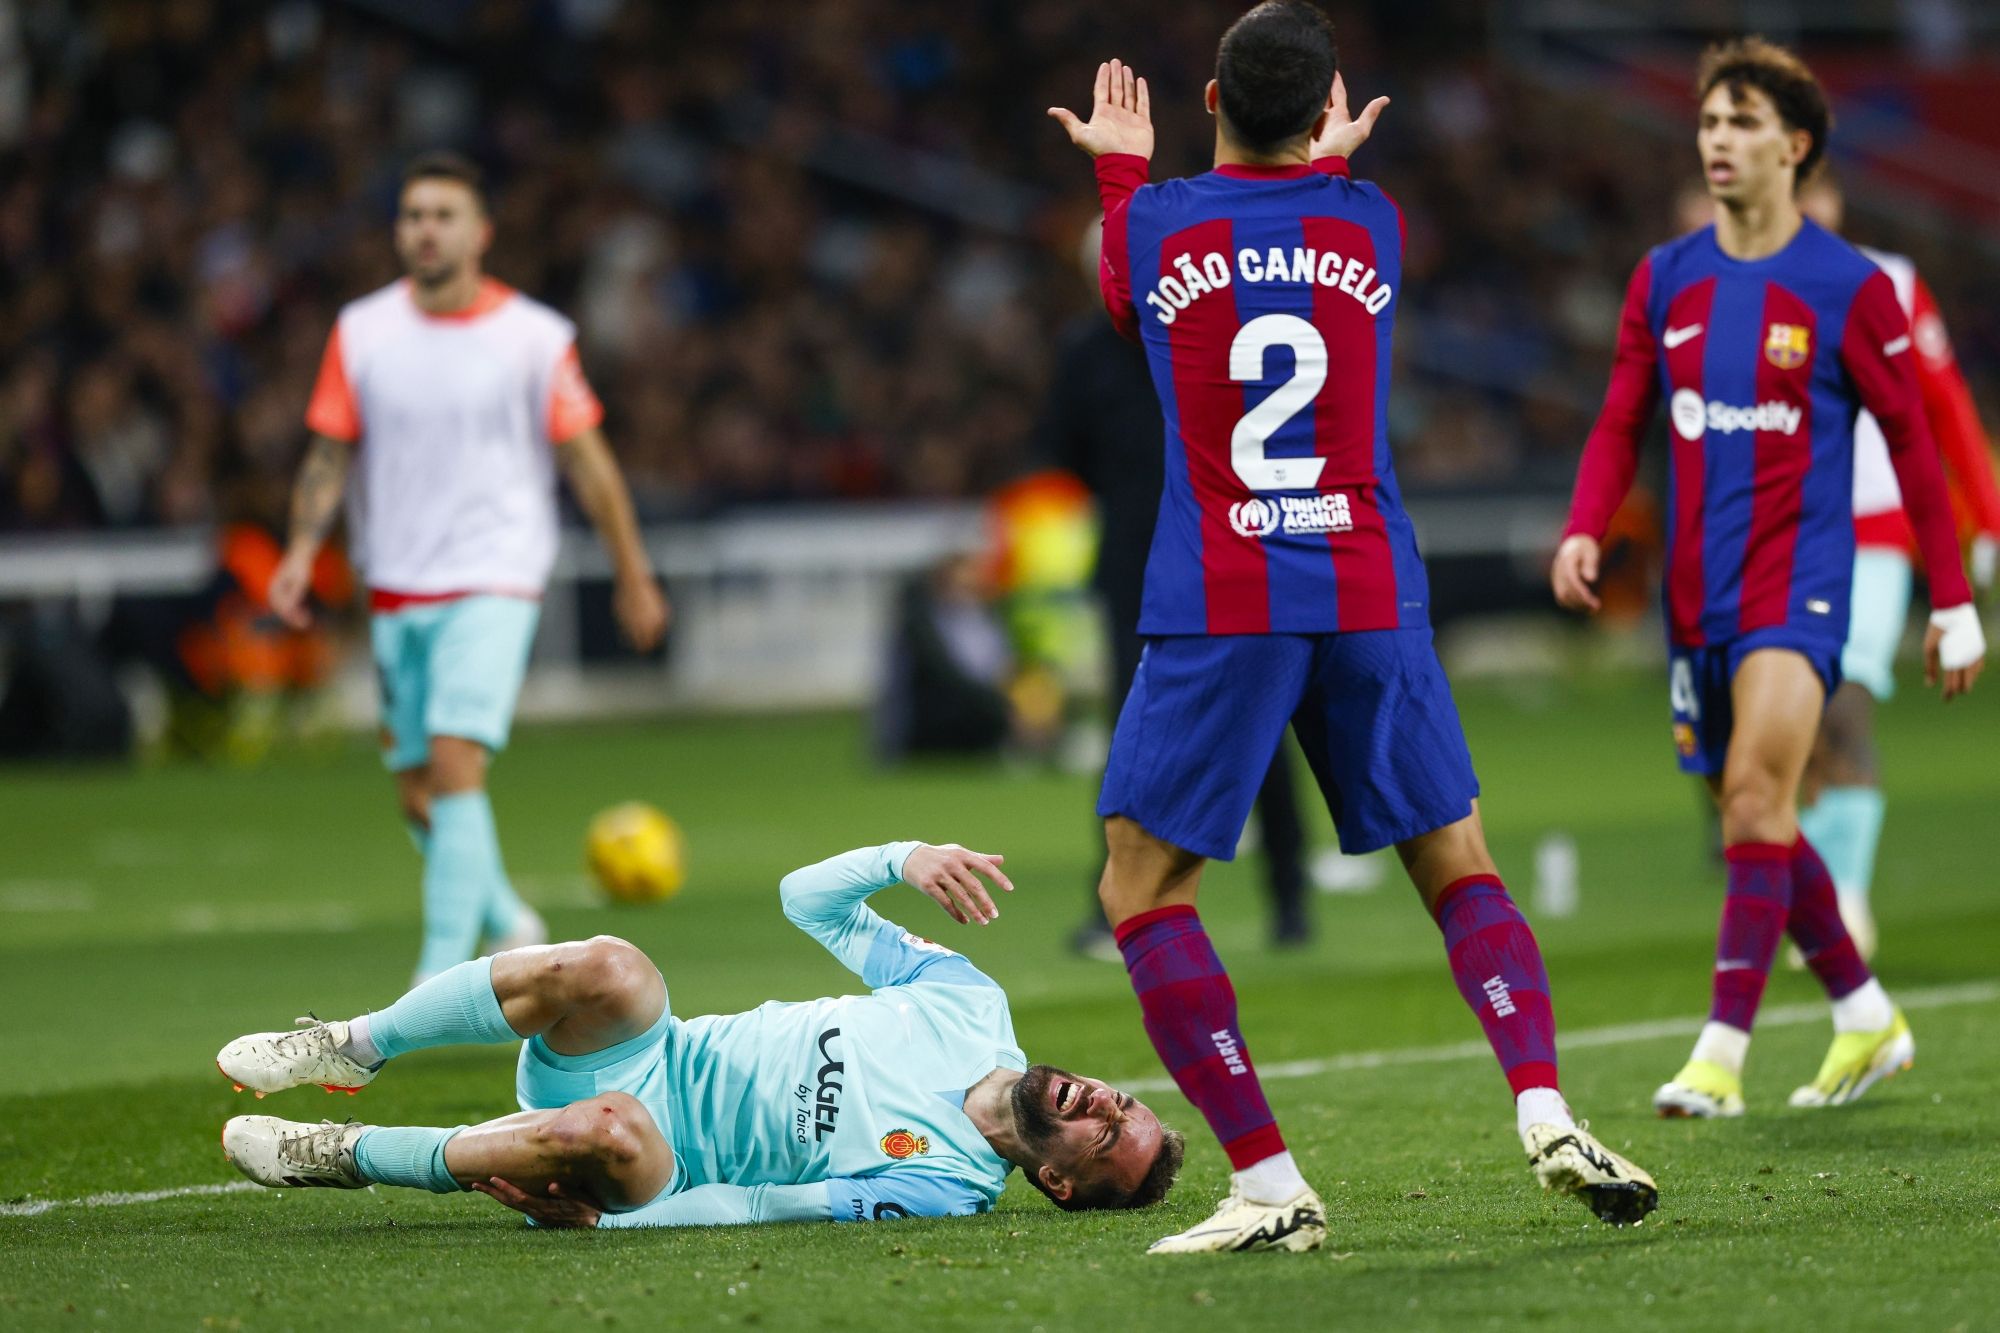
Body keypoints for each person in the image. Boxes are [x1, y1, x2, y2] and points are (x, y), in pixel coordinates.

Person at [1048, 1, 1656, 1255]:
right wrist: (1328, 160)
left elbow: (1121, 295)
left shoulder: (1155, 223)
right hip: (1368, 583)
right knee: (1456, 861)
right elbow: (1307, 205)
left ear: (1209, 104)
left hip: (1228, 593)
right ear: (1330, 116)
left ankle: (1269, 1183)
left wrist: (1118, 161)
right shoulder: (1364, 218)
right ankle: (1542, 1104)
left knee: (1141, 885)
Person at [1551, 38, 1985, 1121]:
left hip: (1804, 584)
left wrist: (1952, 601)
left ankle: (1718, 1053)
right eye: (1706, 123)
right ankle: (1862, 1012)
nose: (1715, 141)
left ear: (1793, 146)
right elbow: (1618, 417)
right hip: (1697, 593)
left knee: (1755, 794)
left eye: (1740, 123)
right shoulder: (1664, 277)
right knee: (1753, 815)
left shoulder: (1852, 288)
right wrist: (1581, 527)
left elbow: (1916, 448)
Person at [216, 841, 1184, 1227]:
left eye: (1104, 1136)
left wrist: (613, 1219)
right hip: (647, 1050)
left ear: (1056, 1181)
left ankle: (340, 1153)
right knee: (612, 964)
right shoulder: (966, 1002)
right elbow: (805, 900)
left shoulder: (940, 1187)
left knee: (615, 1127)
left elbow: (760, 1206)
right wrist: (903, 855)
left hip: (656, 1157)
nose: (1101, 1100)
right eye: (1122, 1102)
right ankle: (352, 1043)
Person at [267, 152, 669, 983]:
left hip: (496, 573)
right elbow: (329, 452)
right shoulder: (363, 331)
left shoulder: (532, 337)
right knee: (421, 793)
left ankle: (438, 981)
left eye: (444, 215)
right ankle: (506, 918)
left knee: (454, 760)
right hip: (395, 580)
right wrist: (302, 552)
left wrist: (633, 570)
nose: (426, 229)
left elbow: (589, 464)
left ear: (481, 233)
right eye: (414, 215)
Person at [1036, 225, 1314, 956]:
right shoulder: (1109, 347)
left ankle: (1289, 896)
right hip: (1142, 564)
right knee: (1136, 739)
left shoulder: (1195, 332)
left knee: (1256, 728)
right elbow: (1063, 452)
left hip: (1219, 556)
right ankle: (1118, 903)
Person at [1791, 173, 2000, 960]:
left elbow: (1946, 405)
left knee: (1843, 703)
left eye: (1817, 188)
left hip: (1874, 533)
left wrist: (1987, 519)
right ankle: (1809, 888)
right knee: (1787, 725)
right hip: (1775, 537)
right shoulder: (1731, 283)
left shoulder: (1892, 283)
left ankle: (1842, 893)